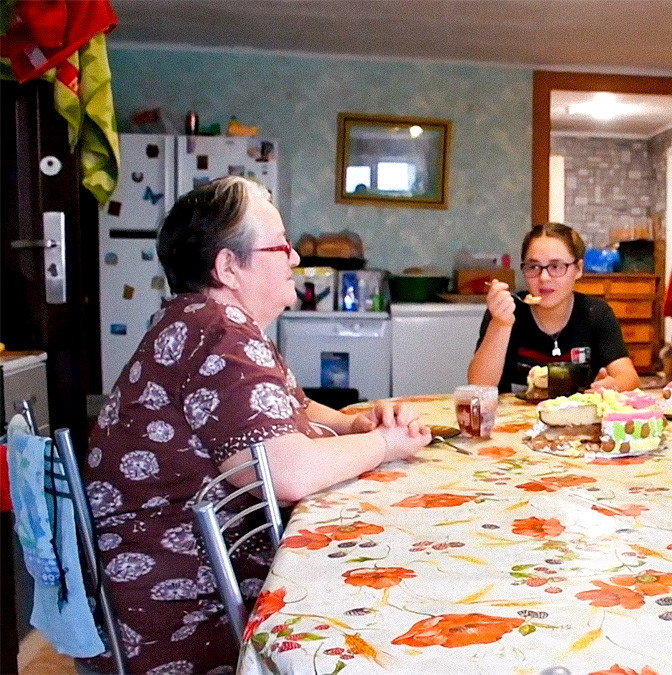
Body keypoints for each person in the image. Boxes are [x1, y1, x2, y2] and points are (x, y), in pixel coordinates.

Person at [82, 177, 431, 673]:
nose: (293, 258)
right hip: (181, 610)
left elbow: (288, 407)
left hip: (151, 584)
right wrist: (384, 443)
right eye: (280, 246)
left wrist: (353, 425)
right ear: (229, 267)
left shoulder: (198, 319)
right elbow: (285, 472)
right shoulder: (217, 330)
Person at [468, 222, 639, 393]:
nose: (544, 277)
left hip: (577, 416)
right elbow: (479, 385)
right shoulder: (506, 310)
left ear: (578, 269)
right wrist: (500, 324)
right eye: (533, 267)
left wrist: (612, 385)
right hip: (514, 418)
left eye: (556, 267)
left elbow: (628, 376)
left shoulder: (595, 312)